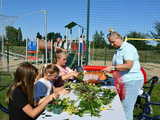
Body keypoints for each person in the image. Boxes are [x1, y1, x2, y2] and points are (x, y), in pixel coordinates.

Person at [103, 31, 144, 120]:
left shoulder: (127, 48)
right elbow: (119, 67)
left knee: (126, 109)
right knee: (121, 107)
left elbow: (128, 65)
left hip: (132, 81)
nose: (111, 44)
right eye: (110, 42)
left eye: (113, 42)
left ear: (119, 38)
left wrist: (112, 68)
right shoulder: (119, 49)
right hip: (124, 81)